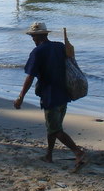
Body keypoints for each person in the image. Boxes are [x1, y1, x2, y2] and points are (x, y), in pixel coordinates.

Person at [14, 22, 87, 172]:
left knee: (55, 129)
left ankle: (77, 152)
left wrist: (21, 96)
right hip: (65, 92)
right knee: (53, 126)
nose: (32, 39)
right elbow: (71, 60)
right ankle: (49, 155)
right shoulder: (60, 46)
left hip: (50, 95)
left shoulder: (38, 52)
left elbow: (30, 77)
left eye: (33, 36)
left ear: (37, 36)